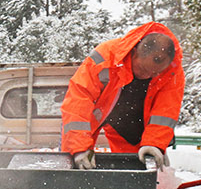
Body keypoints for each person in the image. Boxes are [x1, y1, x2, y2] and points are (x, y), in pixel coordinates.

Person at [60, 22, 185, 170]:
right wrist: (79, 148)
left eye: (155, 74)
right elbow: (78, 101)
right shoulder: (105, 56)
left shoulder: (173, 73)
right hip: (96, 113)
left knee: (137, 173)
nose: (147, 76)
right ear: (134, 53)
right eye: (143, 69)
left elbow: (165, 113)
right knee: (73, 166)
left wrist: (155, 145)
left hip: (134, 124)